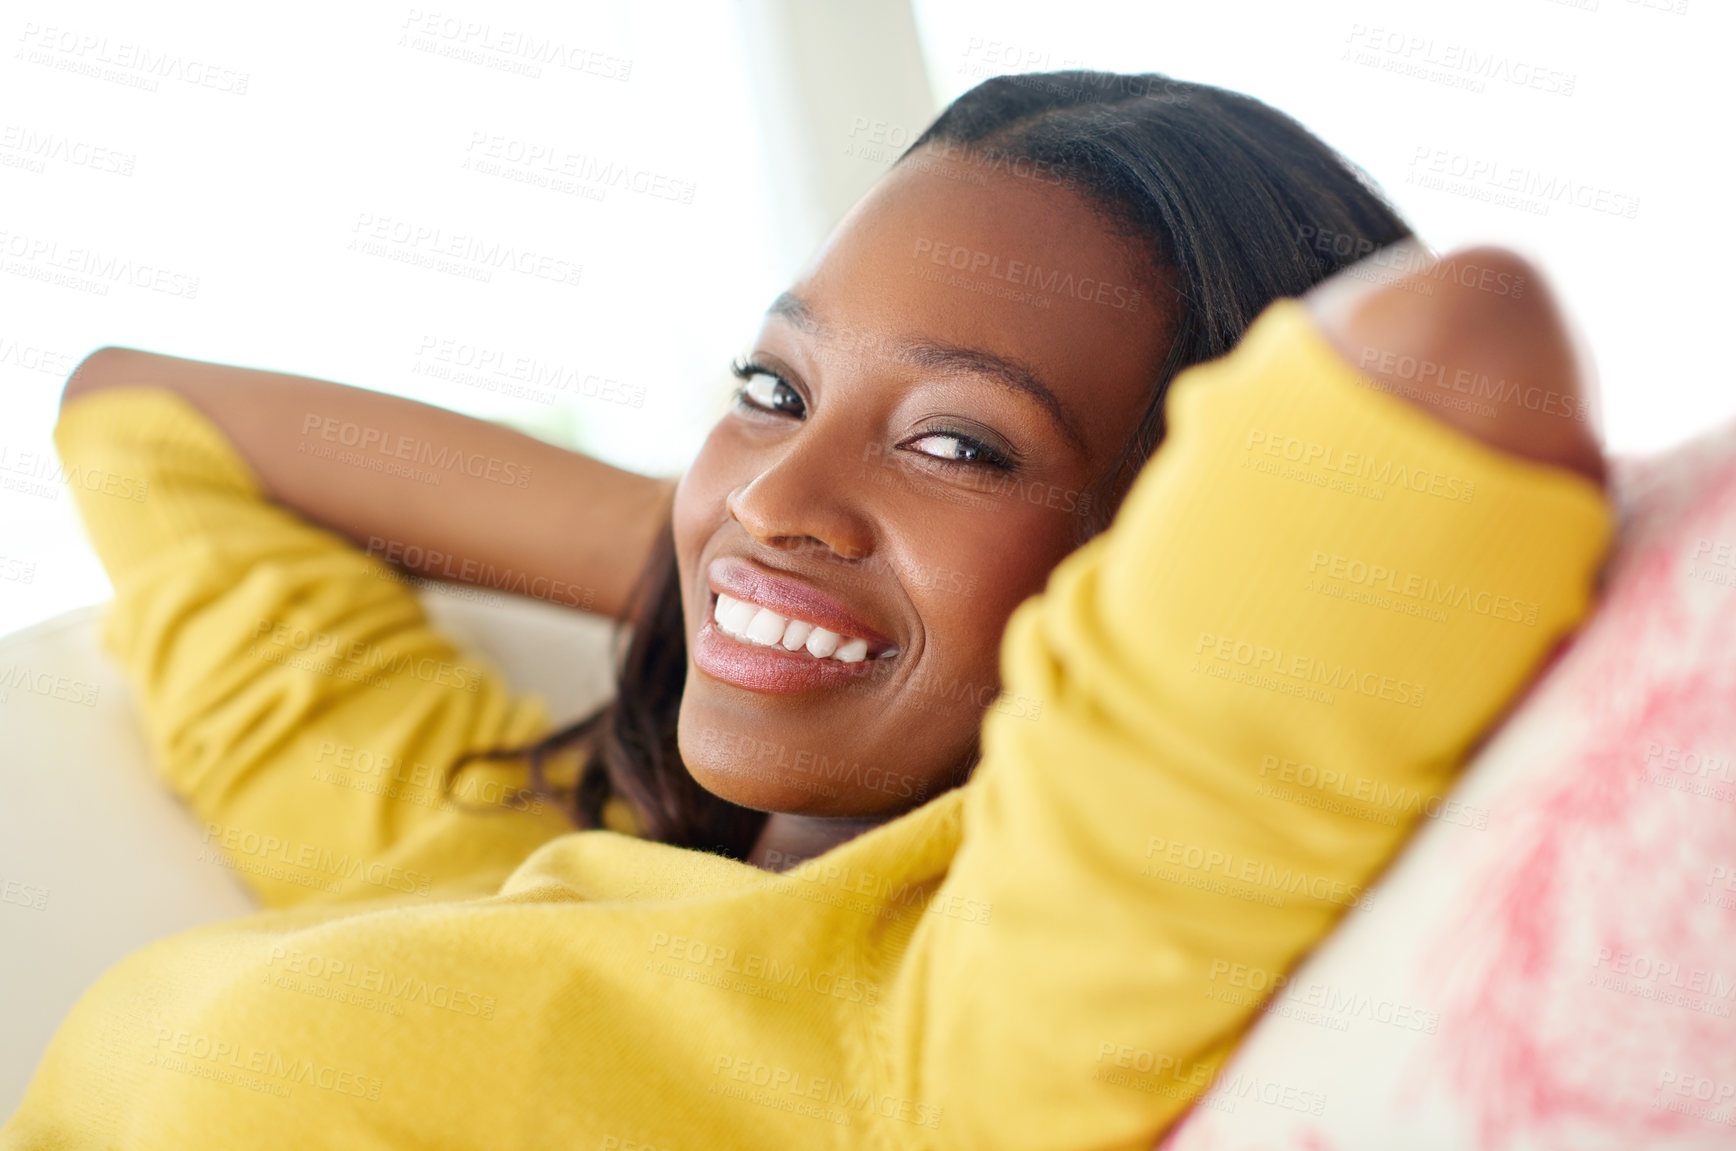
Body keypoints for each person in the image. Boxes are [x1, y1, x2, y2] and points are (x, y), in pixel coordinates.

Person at [3, 73, 1609, 1148]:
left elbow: (1460, 353)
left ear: (1153, 554)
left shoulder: (977, 1008)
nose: (776, 483)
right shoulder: (497, 830)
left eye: (964, 443)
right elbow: (144, 424)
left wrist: (836, 570)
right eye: (770, 386)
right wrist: (722, 559)